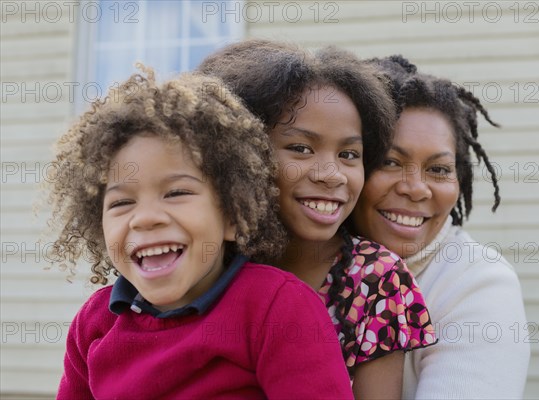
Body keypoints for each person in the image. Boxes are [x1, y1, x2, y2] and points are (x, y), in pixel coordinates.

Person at [45, 65, 354, 399]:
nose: (145, 219)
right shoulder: (93, 325)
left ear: (233, 216)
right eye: (121, 203)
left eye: (176, 193)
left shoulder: (277, 307)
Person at [198, 39, 436, 399]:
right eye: (301, 148)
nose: (332, 174)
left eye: (349, 154)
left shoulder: (374, 279)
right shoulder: (204, 263)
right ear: (240, 154)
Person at [351, 55, 531, 399]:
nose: (416, 188)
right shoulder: (310, 263)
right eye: (390, 161)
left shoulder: (478, 283)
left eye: (439, 170)